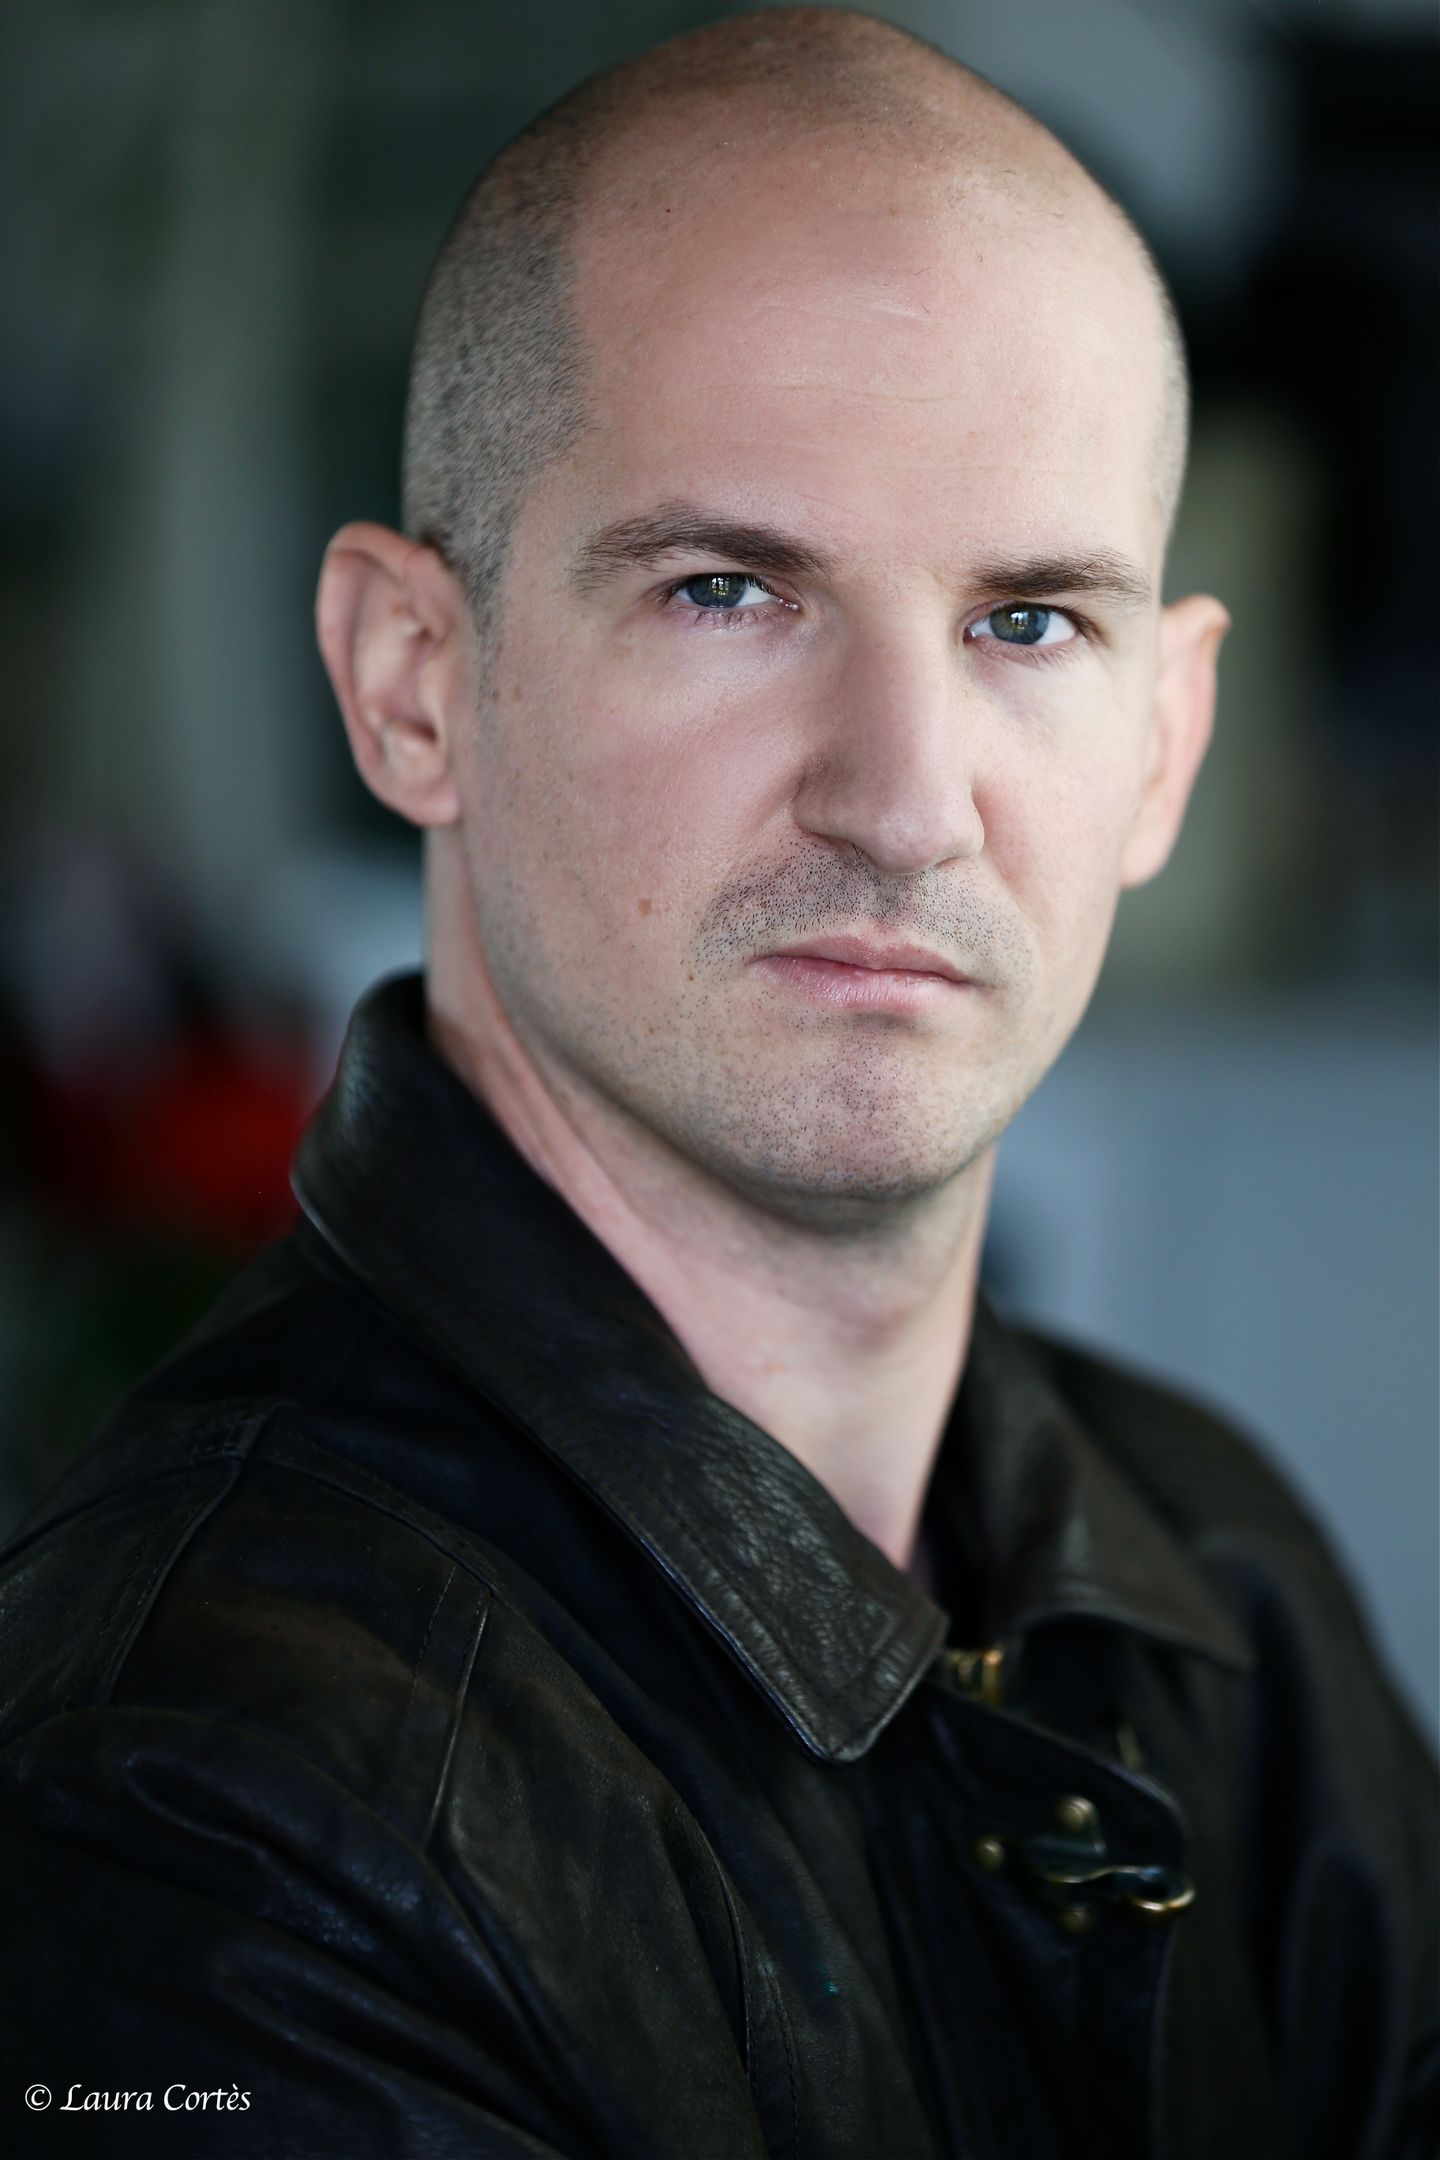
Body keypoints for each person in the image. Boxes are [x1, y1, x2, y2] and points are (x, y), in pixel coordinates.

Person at [1, 9, 1434, 2157]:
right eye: (731, 590)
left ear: (1165, 742)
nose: (906, 802)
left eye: (1029, 623)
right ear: (414, 683)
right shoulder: (198, 1813)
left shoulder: (1218, 1578)